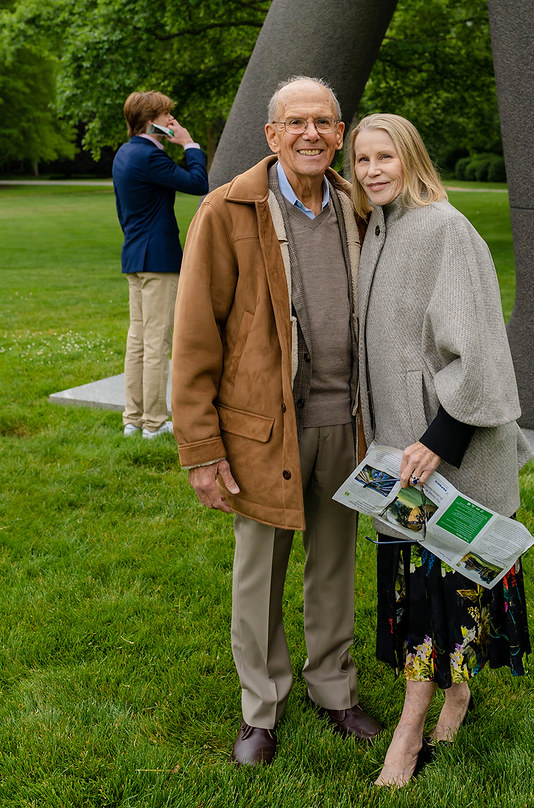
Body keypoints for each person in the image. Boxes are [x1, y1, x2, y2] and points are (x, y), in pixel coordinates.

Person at [171, 75, 381, 766]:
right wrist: (203, 450)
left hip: (346, 424)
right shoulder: (227, 210)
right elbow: (196, 337)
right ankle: (260, 710)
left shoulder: (360, 206)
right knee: (259, 574)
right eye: (296, 122)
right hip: (262, 430)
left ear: (340, 133)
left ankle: (335, 689)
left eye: (324, 121)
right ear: (272, 135)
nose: (311, 134)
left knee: (334, 568)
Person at [350, 113, 532, 788]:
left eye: (384, 157)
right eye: (362, 158)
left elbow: (480, 347)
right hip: (399, 457)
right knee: (418, 591)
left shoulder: (444, 229)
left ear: (412, 158)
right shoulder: (379, 229)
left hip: (442, 452)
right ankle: (455, 691)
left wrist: (440, 437)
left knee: (445, 588)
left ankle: (409, 732)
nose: (371, 170)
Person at [112, 90, 208, 438]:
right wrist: (190, 145)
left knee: (138, 340)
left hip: (135, 256)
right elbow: (198, 184)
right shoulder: (150, 158)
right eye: (167, 116)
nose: (172, 122)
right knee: (156, 343)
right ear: (151, 121)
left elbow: (124, 212)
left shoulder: (125, 154)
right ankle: (154, 422)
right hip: (158, 260)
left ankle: (133, 419)